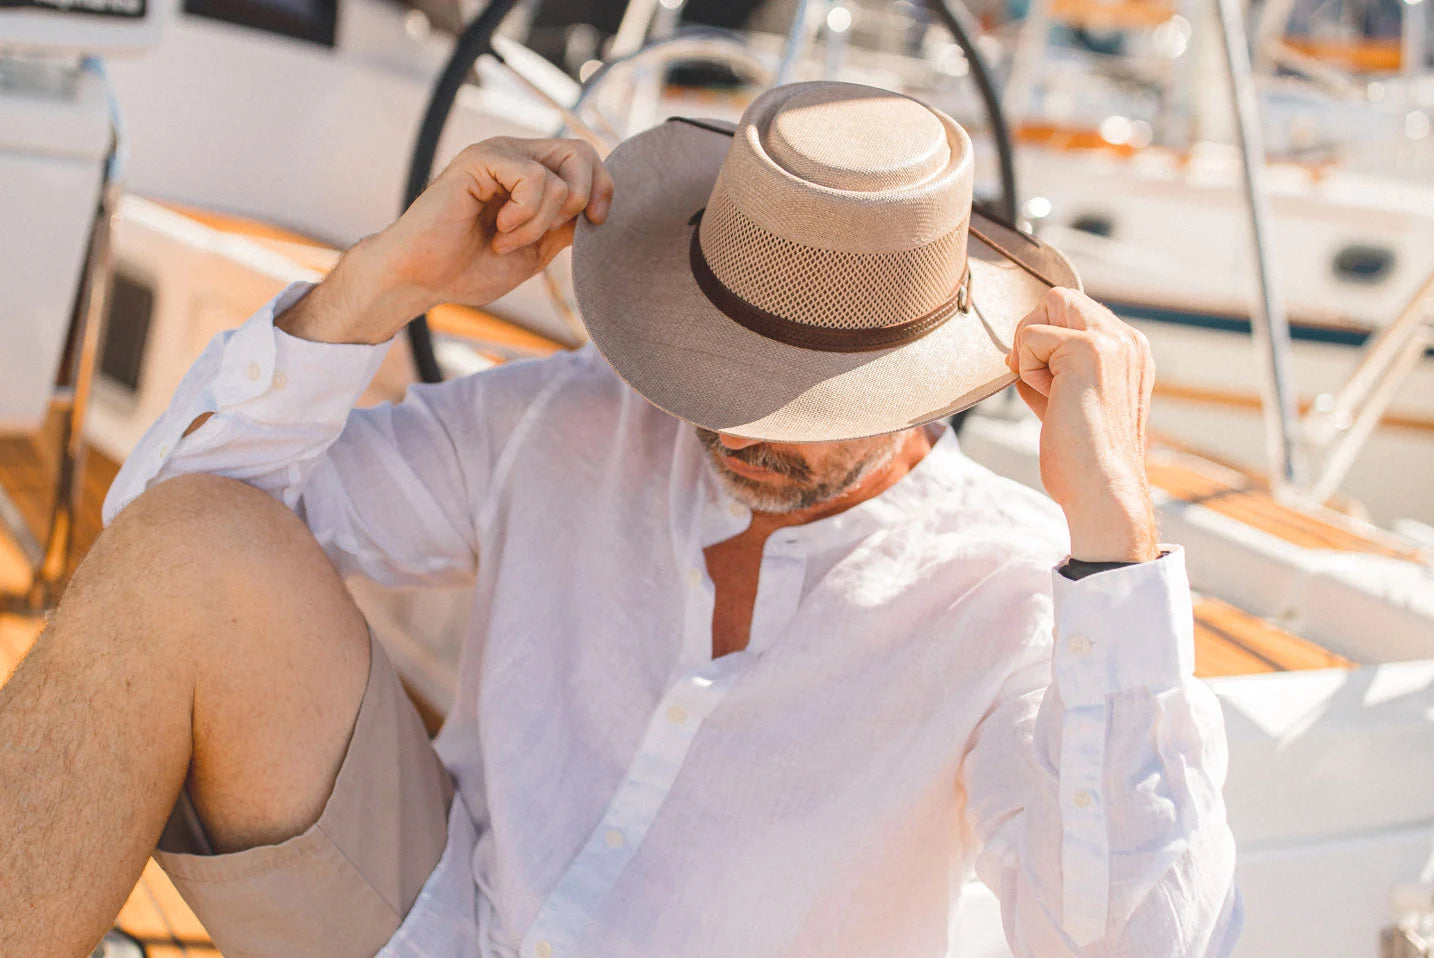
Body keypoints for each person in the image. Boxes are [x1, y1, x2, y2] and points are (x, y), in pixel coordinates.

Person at [0, 82, 1240, 957]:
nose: (743, 422)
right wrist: (381, 281)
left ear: (923, 376)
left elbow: (1138, 948)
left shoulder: (1022, 596)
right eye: (723, 360)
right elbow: (165, 534)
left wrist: (1118, 544)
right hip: (439, 925)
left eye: (809, 393)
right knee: (190, 547)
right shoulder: (576, 419)